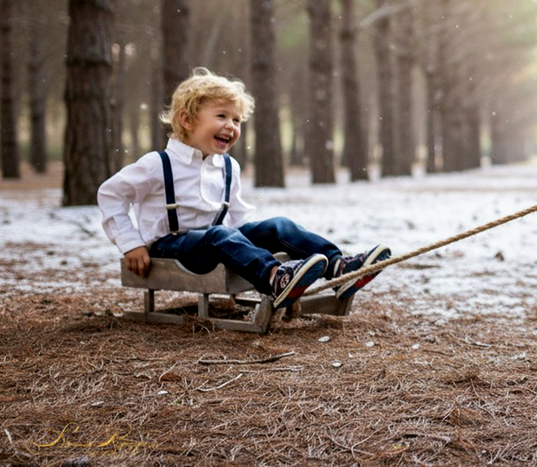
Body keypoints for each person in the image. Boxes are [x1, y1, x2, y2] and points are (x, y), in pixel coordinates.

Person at [98, 67, 390, 312]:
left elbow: (236, 219)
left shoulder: (227, 167)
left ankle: (339, 267)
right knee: (218, 235)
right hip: (169, 247)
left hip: (215, 243)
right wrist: (131, 243)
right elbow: (110, 195)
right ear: (187, 120)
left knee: (278, 226)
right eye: (222, 116)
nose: (231, 126)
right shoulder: (156, 164)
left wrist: (254, 242)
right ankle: (275, 277)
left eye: (236, 120)